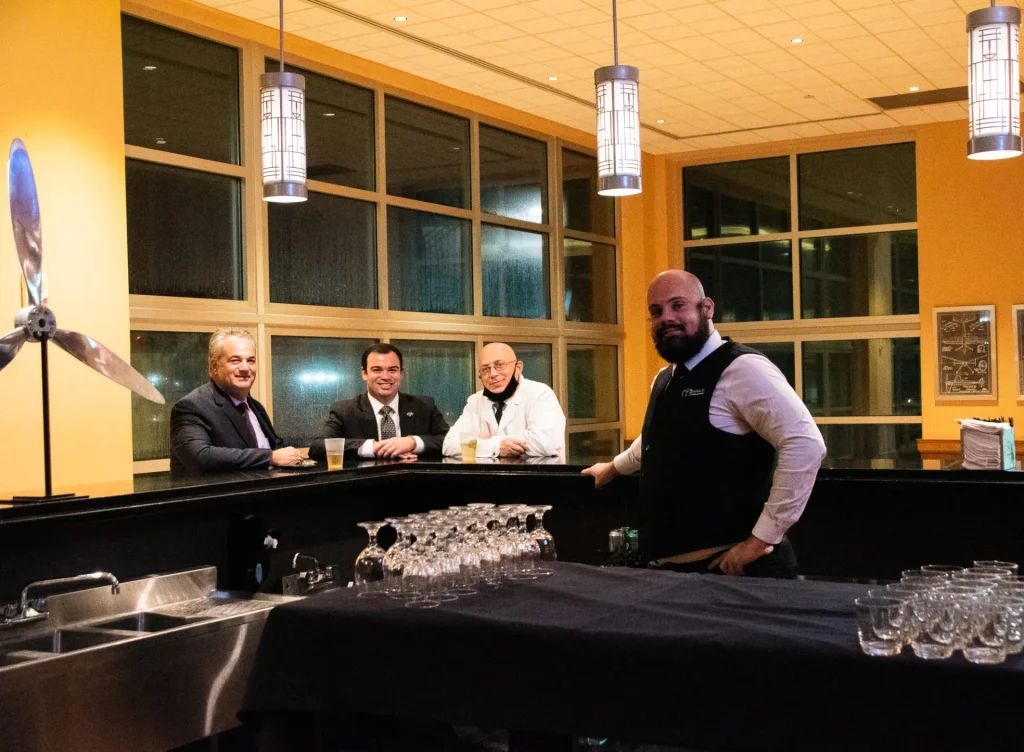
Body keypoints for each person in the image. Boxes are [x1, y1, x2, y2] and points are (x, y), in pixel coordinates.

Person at [582, 270, 826, 578]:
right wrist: (613, 467)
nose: (666, 318)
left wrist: (762, 538)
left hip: (734, 572)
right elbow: (657, 440)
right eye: (656, 311)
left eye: (678, 305)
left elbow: (805, 444)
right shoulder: (665, 379)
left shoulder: (743, 368)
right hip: (672, 573)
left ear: (707, 308)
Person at [170, 328, 303, 474]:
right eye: (235, 360)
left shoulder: (255, 407)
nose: (245, 368)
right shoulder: (191, 407)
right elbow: (200, 457)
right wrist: (270, 457)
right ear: (214, 366)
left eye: (251, 361)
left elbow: (273, 449)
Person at [308, 344, 449, 462]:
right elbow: (318, 447)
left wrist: (412, 442)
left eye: (392, 370)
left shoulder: (424, 406)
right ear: (364, 373)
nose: (385, 376)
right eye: (377, 370)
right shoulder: (345, 410)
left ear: (401, 373)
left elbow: (449, 441)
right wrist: (374, 447)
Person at [443, 342, 566, 459]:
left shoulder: (540, 394)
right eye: (485, 369)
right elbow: (449, 445)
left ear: (518, 367)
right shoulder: (475, 401)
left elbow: (545, 444)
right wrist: (497, 447)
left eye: (500, 365)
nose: (493, 374)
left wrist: (484, 441)